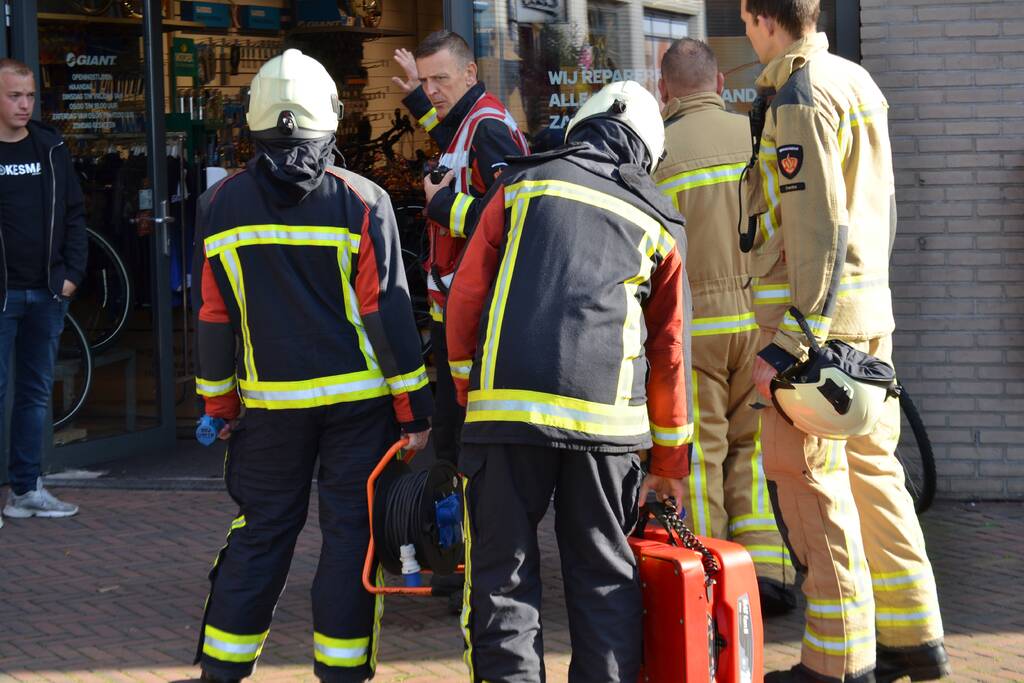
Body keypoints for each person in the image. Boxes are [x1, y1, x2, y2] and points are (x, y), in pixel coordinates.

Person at [190, 49, 432, 683]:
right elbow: (388, 318)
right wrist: (416, 414)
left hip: (269, 410)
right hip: (359, 411)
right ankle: (343, 671)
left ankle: (222, 667)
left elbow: (215, 318)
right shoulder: (362, 200)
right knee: (351, 536)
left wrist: (219, 406)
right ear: (331, 116)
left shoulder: (220, 205)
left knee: (261, 532)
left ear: (253, 121)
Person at [445, 80, 693, 683]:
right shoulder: (659, 218)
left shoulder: (523, 184)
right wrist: (669, 462)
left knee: (502, 575)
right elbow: (669, 352)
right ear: (645, 153)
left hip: (505, 417)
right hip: (606, 429)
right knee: (605, 576)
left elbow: (466, 298)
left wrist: (465, 390)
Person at [739, 1, 950, 681]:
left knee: (810, 485)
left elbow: (815, 225)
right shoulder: (857, 81)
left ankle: (839, 661)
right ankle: (913, 636)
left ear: (758, 17)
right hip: (867, 322)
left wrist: (790, 343)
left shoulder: (799, 97)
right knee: (876, 477)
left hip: (814, 339)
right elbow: (868, 212)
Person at [652, 37, 797, 616]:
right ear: (717, 84)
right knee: (759, 449)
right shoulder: (755, 137)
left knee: (702, 451)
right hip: (760, 322)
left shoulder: (657, 153)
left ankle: (711, 576)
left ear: (664, 91)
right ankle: (767, 573)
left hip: (696, 328)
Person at [392, 31, 529, 467]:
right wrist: (418, 97)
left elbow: (513, 215)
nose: (432, 90)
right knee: (453, 439)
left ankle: (466, 527)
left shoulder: (488, 127)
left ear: (471, 72)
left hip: (475, 310)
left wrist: (442, 204)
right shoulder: (474, 118)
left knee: (460, 443)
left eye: (440, 80)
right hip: (458, 306)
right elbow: (450, 136)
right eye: (426, 80)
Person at [0, 58, 86, 524]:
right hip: (4, 295)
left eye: (30, 96)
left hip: (47, 292)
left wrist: (71, 276)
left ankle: (27, 490)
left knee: (34, 395)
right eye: (15, 95)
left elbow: (75, 213)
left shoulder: (50, 147)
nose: (24, 104)